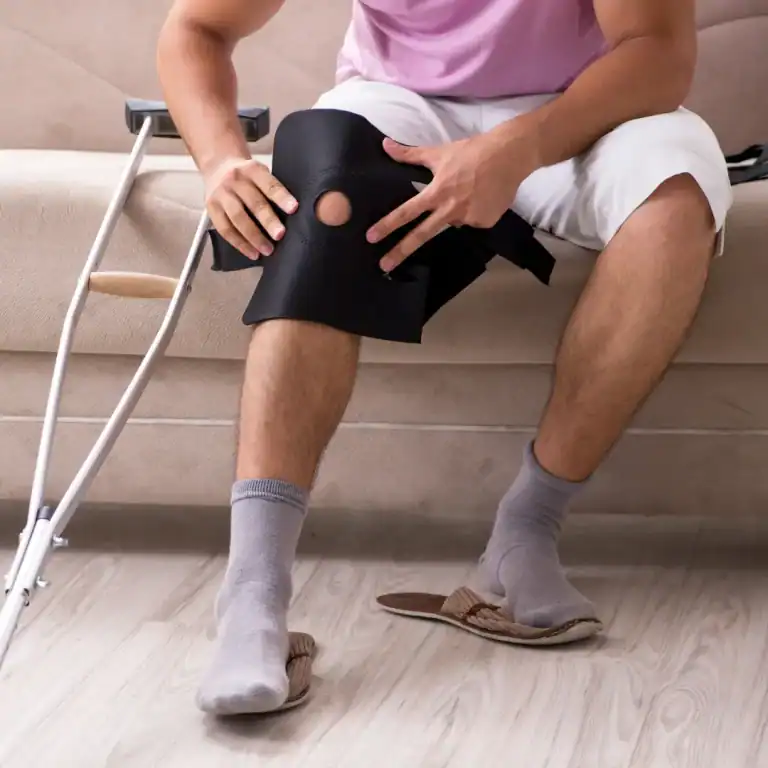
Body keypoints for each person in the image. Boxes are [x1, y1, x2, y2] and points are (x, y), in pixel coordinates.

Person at [157, 0, 732, 715]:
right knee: (324, 201)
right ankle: (252, 597)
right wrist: (219, 160)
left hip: (584, 107)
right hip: (401, 102)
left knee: (674, 200)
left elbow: (658, 51)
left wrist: (518, 146)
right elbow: (197, 27)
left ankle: (526, 530)